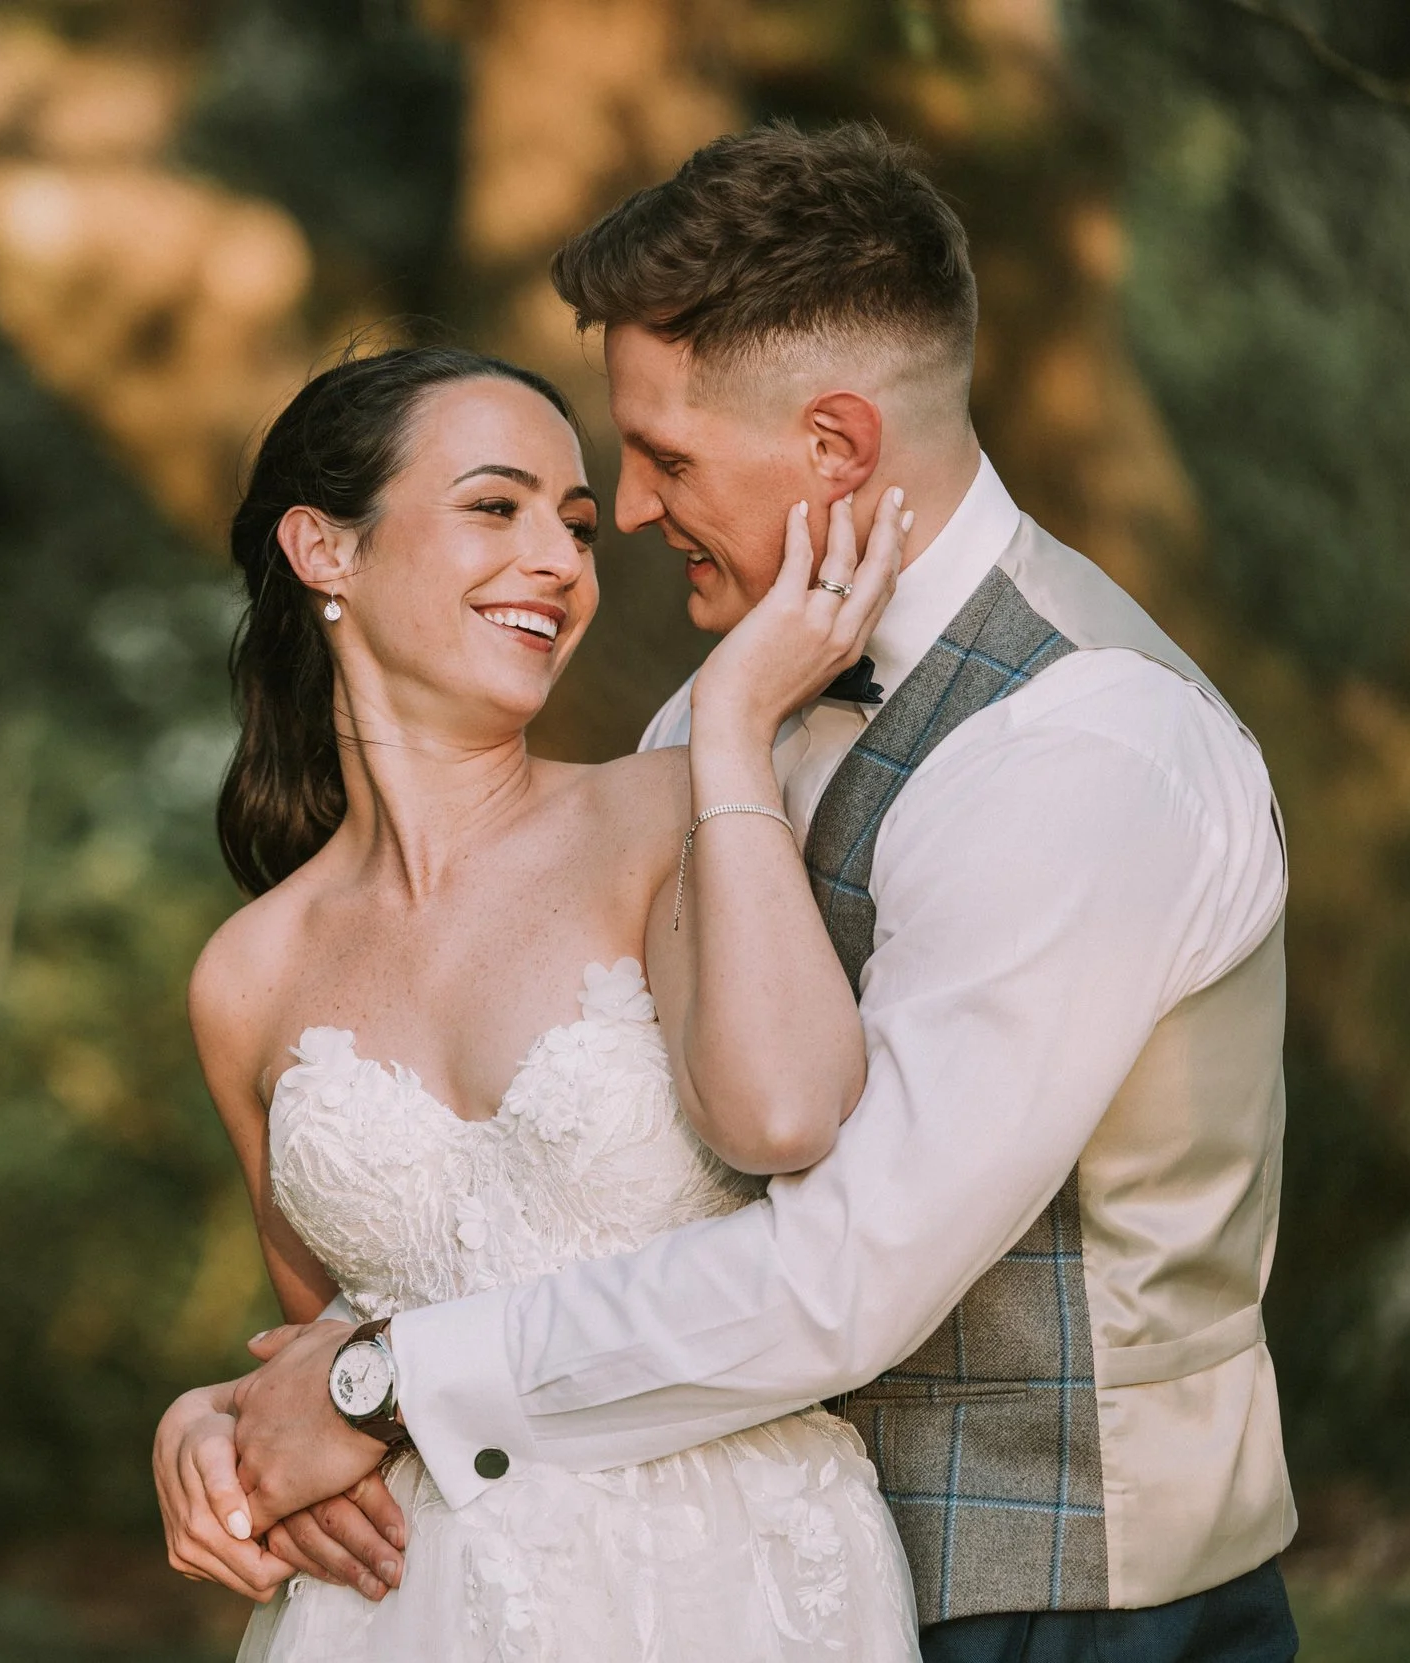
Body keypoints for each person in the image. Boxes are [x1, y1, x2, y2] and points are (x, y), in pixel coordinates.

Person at [159, 124, 1298, 1663]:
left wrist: (386, 1383)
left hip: (1069, 1599)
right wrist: (234, 1423)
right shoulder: (704, 725)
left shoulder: (1091, 744)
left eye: (661, 460)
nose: (621, 519)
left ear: (834, 448)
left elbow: (844, 1271)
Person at [161, 333, 924, 1659]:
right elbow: (328, 1344)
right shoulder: (250, 974)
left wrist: (734, 722)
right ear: (325, 549)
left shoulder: (668, 811)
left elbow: (793, 1114)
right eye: (495, 507)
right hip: (402, 1615)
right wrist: (211, 1425)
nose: (564, 561)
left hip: (729, 1591)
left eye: (576, 525)